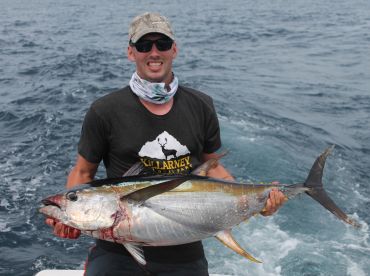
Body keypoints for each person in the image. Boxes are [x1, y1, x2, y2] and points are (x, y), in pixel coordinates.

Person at [46, 12, 286, 276]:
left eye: (161, 44)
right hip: (116, 249)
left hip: (185, 247)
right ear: (130, 52)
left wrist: (257, 200)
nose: (154, 52)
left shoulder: (201, 105)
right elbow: (82, 173)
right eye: (144, 46)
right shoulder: (105, 110)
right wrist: (71, 216)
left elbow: (212, 165)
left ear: (174, 49)